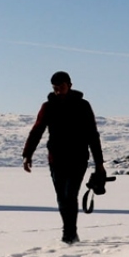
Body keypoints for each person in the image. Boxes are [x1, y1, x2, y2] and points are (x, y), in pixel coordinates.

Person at [22, 71, 107, 244]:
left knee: (70, 194)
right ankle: (69, 232)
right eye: (55, 88)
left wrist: (99, 163)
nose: (58, 91)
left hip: (78, 158)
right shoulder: (48, 107)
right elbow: (37, 130)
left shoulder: (83, 106)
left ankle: (70, 233)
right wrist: (27, 154)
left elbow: (92, 134)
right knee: (62, 197)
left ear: (69, 85)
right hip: (56, 159)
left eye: (61, 87)